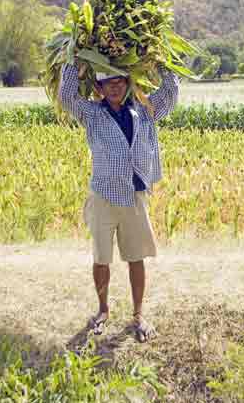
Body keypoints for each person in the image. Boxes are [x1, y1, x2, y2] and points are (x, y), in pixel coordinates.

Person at [59, 62, 179, 342]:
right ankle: (103, 310)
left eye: (120, 81)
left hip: (134, 196)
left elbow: (170, 94)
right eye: (108, 82)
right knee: (102, 258)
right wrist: (72, 65)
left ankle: (138, 314)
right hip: (103, 195)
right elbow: (67, 97)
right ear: (98, 88)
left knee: (136, 257)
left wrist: (161, 63)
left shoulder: (143, 111)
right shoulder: (92, 114)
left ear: (128, 83)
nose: (115, 86)